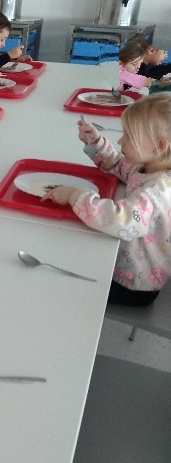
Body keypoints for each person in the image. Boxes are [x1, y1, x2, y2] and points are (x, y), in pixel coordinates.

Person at [42, 94, 171, 307]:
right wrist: (97, 144)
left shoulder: (158, 191)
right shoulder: (151, 167)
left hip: (132, 285)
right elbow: (120, 166)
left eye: (129, 136)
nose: (121, 141)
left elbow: (121, 220)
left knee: (57, 280)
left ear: (159, 146)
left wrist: (75, 195)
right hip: (129, 268)